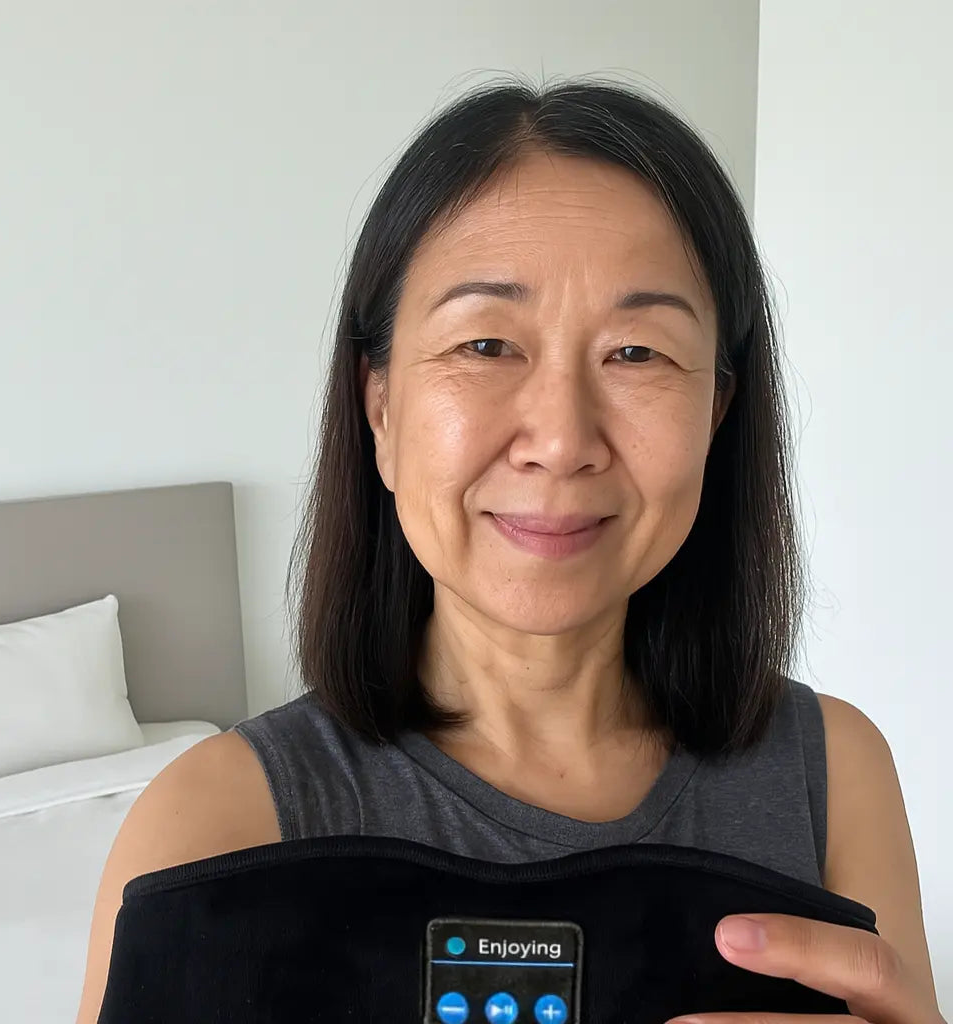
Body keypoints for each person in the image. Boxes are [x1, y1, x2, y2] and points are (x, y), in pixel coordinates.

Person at [75, 78, 943, 1024]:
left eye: (638, 352)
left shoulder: (833, 775)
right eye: (487, 344)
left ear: (717, 414)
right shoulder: (214, 823)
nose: (561, 440)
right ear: (380, 408)